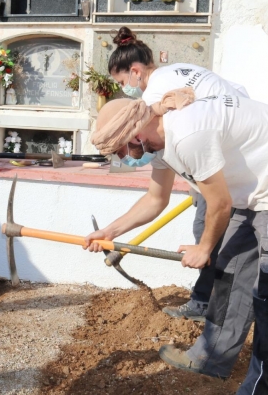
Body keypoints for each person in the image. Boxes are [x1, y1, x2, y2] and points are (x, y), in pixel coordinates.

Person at [85, 88, 268, 393]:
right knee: (229, 271)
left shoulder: (187, 135)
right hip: (251, 194)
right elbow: (154, 199)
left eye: (121, 150)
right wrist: (109, 232)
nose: (124, 157)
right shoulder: (161, 139)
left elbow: (220, 204)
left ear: (135, 136)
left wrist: (204, 248)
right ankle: (211, 358)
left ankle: (263, 388)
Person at [107, 26, 250, 322]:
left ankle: (212, 310)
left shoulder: (155, 101)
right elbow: (157, 194)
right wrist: (111, 232)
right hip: (238, 146)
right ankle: (211, 305)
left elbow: (157, 194)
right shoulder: (176, 72)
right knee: (210, 232)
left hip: (233, 165)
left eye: (123, 82)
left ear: (135, 71)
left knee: (210, 236)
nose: (126, 90)